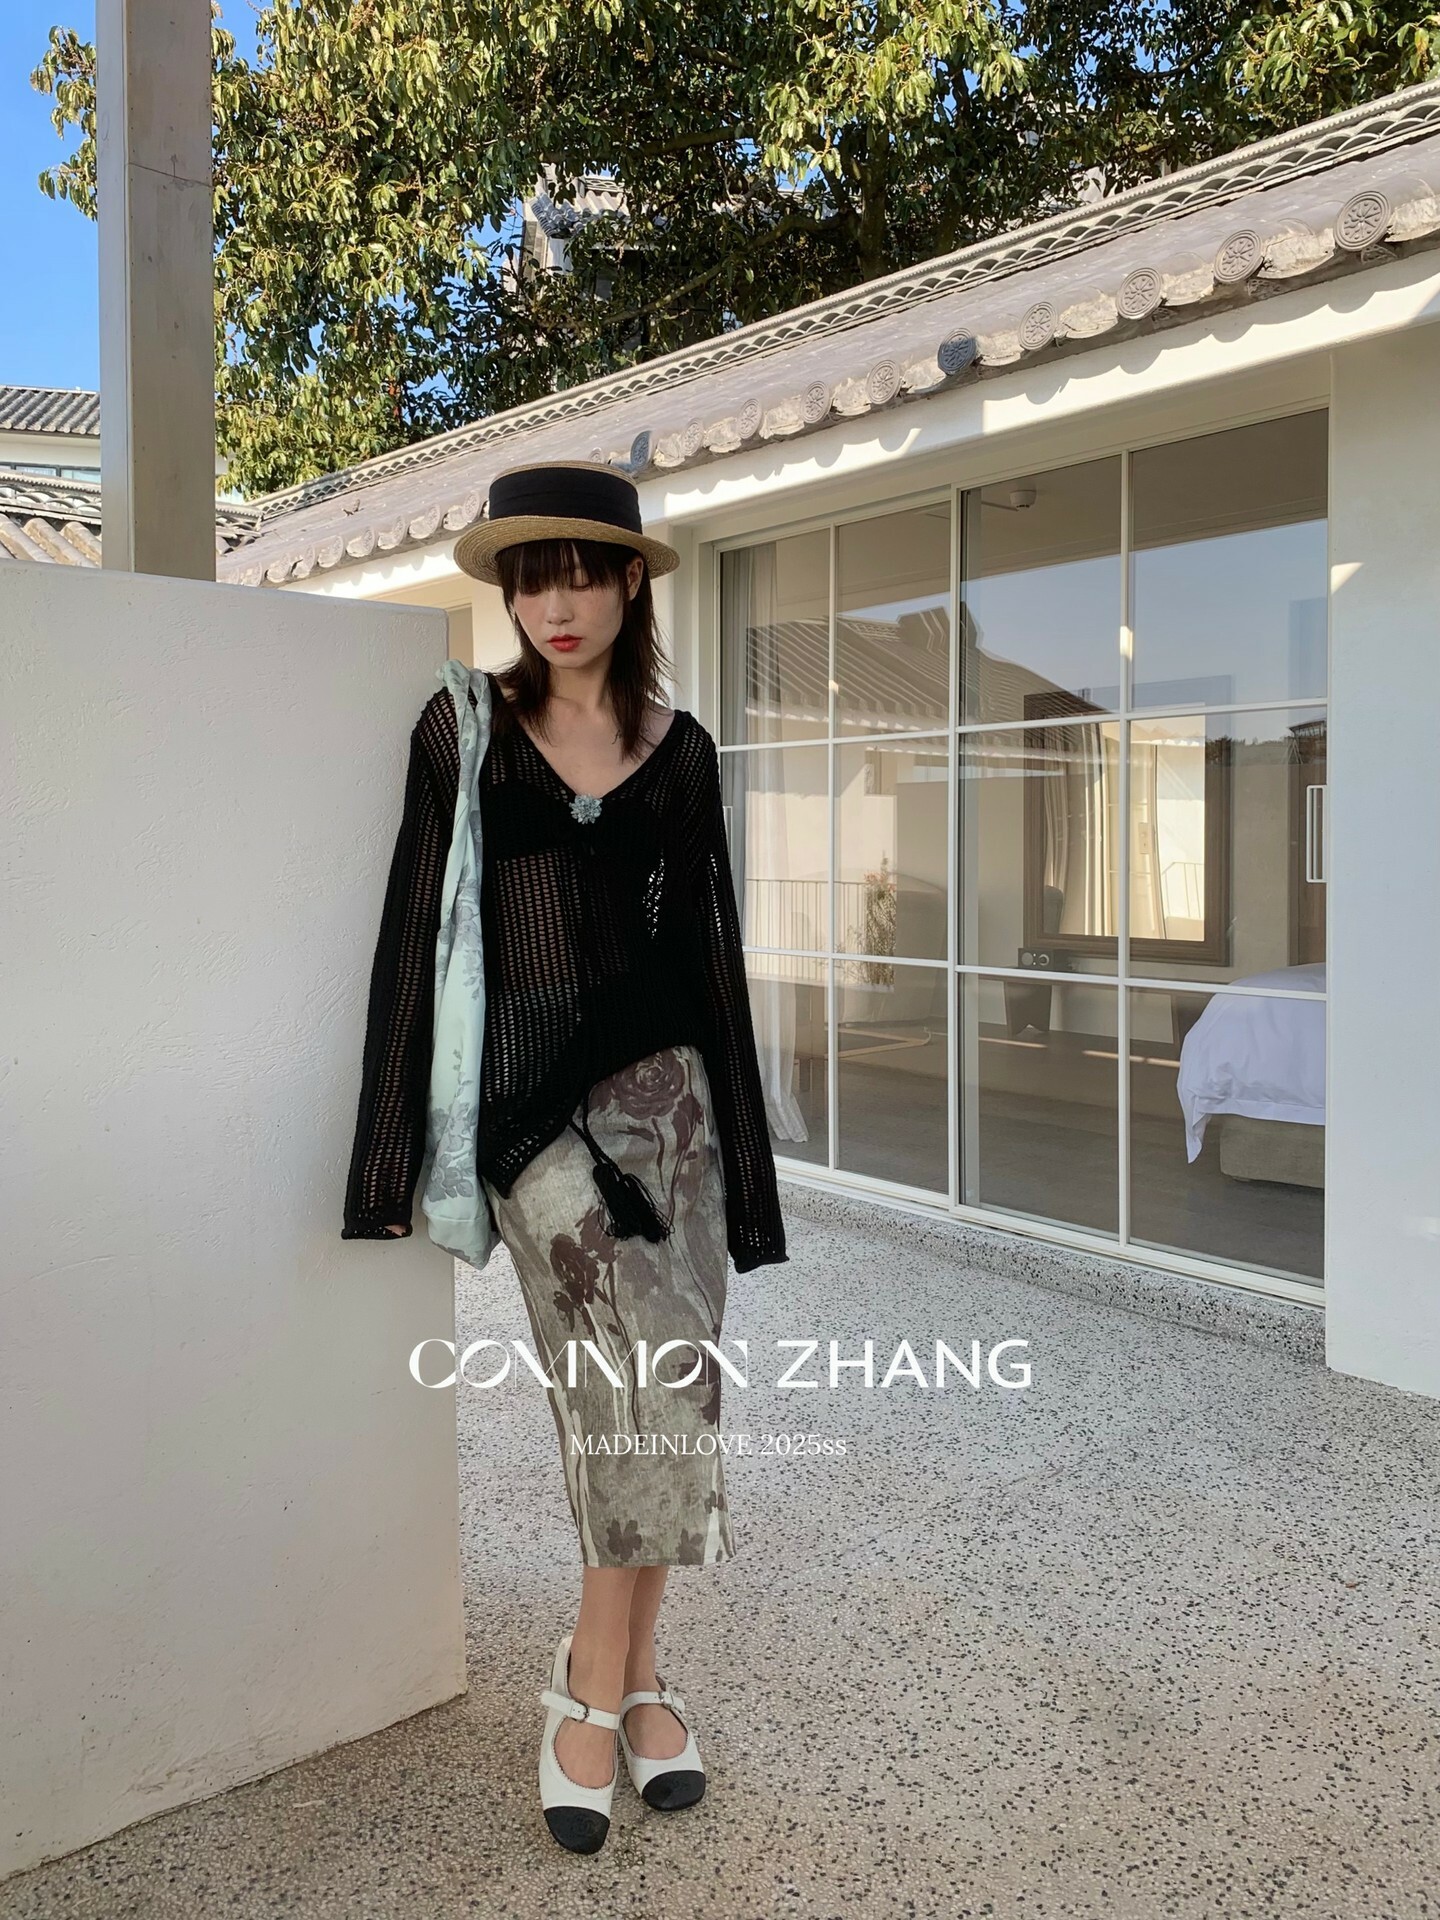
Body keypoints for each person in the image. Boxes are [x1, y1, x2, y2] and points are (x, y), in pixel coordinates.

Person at [341, 459, 788, 1854]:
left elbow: (709, 955)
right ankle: (595, 1681)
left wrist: (747, 1168)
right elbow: (415, 930)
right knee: (617, 1392)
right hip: (534, 1125)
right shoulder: (465, 727)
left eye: (584, 572)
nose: (557, 603)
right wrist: (386, 1157)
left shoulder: (682, 748)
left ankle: (631, 1679)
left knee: (673, 1393)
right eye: (533, 577)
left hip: (676, 1112)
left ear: (631, 580)